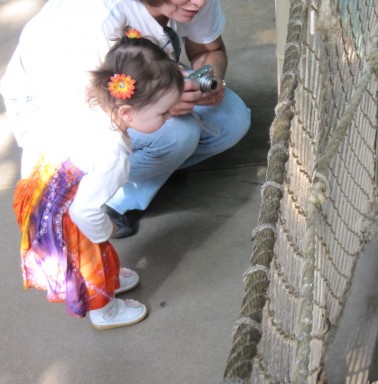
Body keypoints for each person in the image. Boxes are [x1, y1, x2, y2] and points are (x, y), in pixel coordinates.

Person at [1, 0, 251, 238]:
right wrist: (167, 102)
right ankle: (107, 200)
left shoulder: (194, 2)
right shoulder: (94, 19)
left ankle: (149, 171)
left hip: (139, 85)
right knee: (176, 136)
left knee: (231, 120)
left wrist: (211, 78)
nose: (199, 3)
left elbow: (209, 49)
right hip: (65, 104)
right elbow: (82, 111)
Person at [12, 34, 185, 330]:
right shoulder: (113, 153)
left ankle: (111, 277)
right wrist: (104, 232)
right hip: (67, 211)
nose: (170, 117)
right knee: (90, 258)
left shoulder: (97, 102)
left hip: (46, 185)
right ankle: (104, 310)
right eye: (164, 112)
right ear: (126, 112)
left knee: (97, 252)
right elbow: (85, 211)